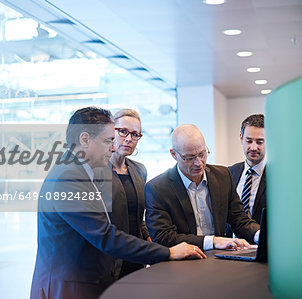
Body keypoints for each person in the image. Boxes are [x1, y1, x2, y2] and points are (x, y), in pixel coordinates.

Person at [30, 107, 205, 299]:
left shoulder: (78, 172)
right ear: (85, 139)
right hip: (67, 286)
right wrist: (168, 253)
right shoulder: (69, 178)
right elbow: (105, 236)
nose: (113, 148)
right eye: (108, 140)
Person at [145, 124, 260, 252]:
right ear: (173, 154)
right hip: (181, 263)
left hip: (220, 259)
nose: (198, 163)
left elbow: (239, 220)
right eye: (189, 158)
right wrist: (213, 241)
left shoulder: (222, 176)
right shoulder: (157, 188)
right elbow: (163, 237)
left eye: (202, 154)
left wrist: (260, 235)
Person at [109, 109, 151, 278]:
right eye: (123, 132)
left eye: (135, 134)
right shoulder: (95, 171)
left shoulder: (139, 170)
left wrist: (153, 245)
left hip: (137, 256)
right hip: (109, 258)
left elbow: (138, 217)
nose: (129, 139)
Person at [229, 114, 266, 225]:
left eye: (260, 142)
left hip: (262, 241)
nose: (254, 147)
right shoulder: (230, 173)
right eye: (249, 141)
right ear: (241, 138)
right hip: (232, 241)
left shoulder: (278, 176)